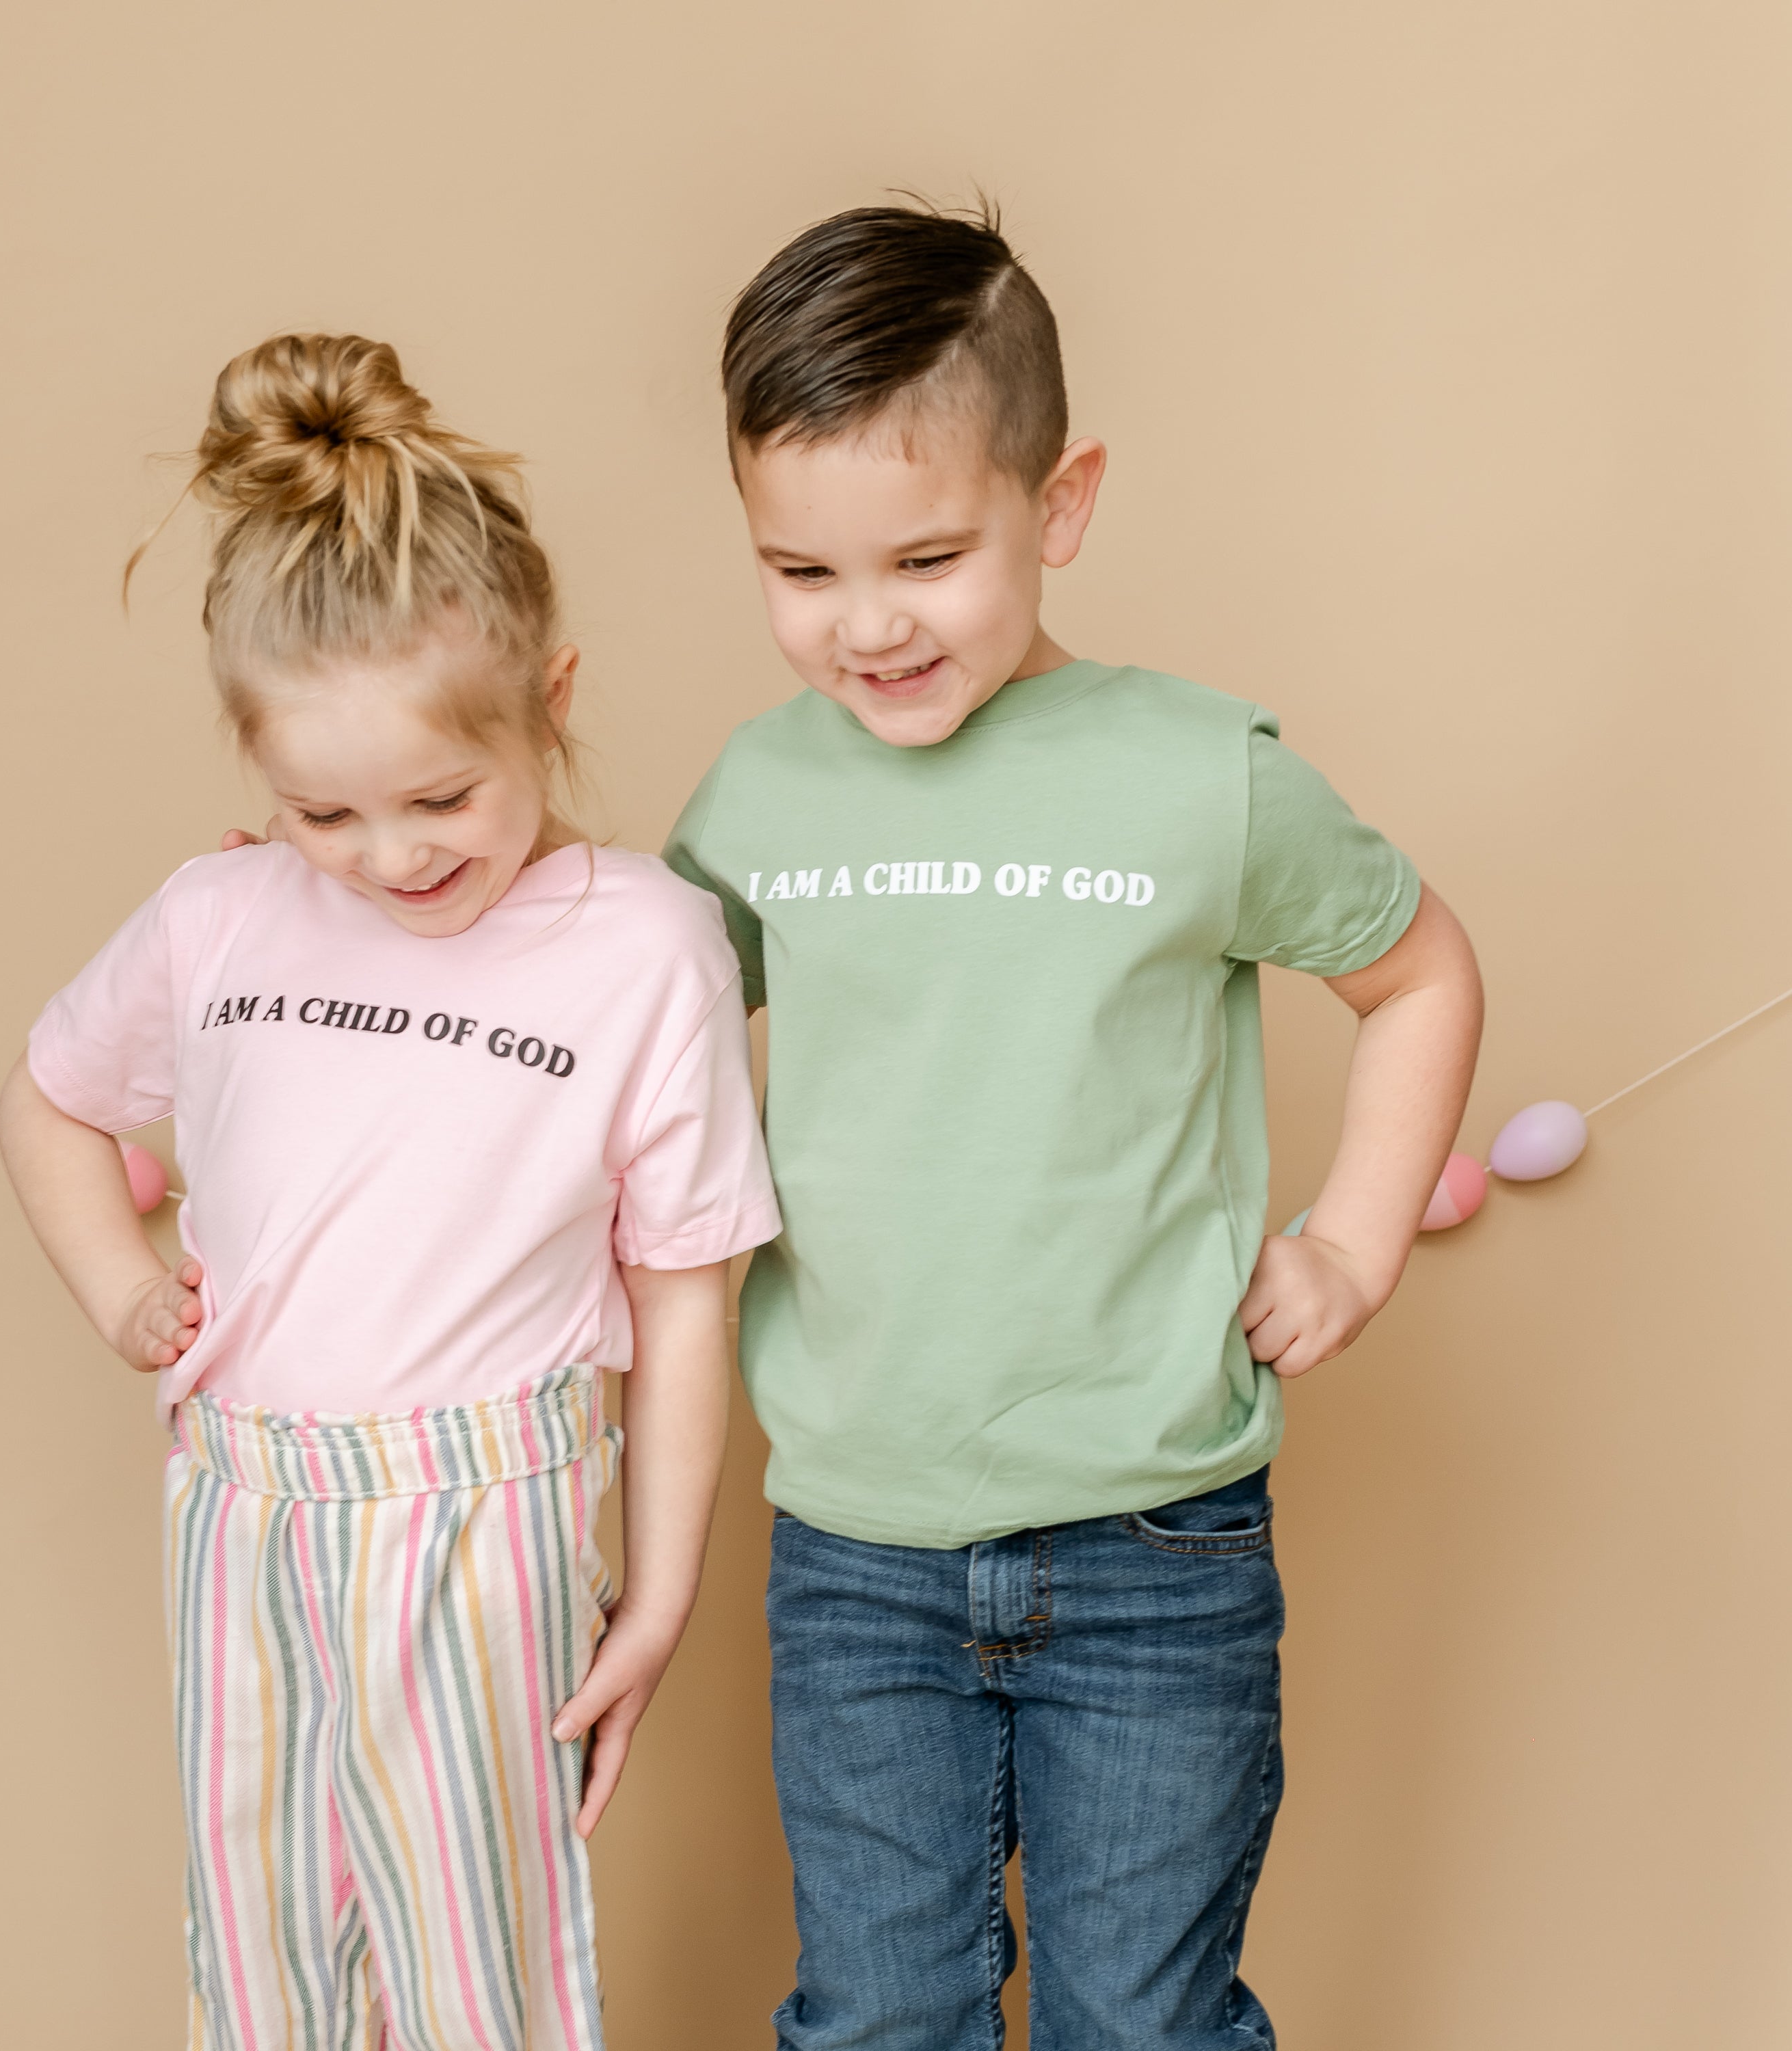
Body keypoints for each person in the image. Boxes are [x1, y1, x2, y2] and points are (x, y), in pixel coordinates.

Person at [663, 205, 1485, 2050]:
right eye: (801, 570)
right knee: (878, 2020)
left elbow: (1420, 971)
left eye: (928, 557)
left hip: (1156, 1541)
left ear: (1063, 503)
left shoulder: (1199, 776)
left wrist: (1354, 1243)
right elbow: (627, 1023)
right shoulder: (759, 791)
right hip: (857, 1551)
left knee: (1143, 2024)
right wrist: (365, 901)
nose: (868, 624)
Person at [0, 333, 779, 2051]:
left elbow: (685, 1295)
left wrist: (657, 1594)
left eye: (441, 797)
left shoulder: (648, 947)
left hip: (484, 1524)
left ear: (552, 698)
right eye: (324, 813)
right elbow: (47, 1100)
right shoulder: (219, 916)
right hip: (243, 1515)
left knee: (475, 1978)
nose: (393, 855)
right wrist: (122, 1287)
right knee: (261, 1959)